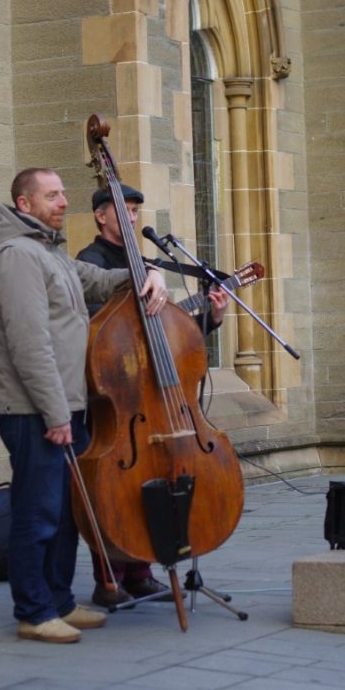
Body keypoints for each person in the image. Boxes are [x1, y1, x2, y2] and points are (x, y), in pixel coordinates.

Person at [0, 168, 168, 644]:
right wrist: (56, 414)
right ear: (25, 204)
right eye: (52, 195)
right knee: (38, 511)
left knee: (66, 513)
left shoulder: (51, 253)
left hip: (66, 406)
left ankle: (60, 600)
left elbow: (101, 281)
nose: (64, 202)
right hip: (35, 411)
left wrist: (149, 274)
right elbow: (30, 345)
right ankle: (34, 609)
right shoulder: (18, 256)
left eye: (64, 193)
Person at [76, 183, 228, 608]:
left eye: (136, 210)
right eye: (123, 209)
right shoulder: (90, 263)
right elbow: (99, 334)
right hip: (116, 392)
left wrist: (210, 318)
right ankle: (109, 578)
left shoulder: (145, 262)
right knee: (112, 487)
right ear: (101, 216)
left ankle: (141, 572)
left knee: (149, 482)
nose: (131, 217)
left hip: (151, 397)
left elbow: (171, 338)